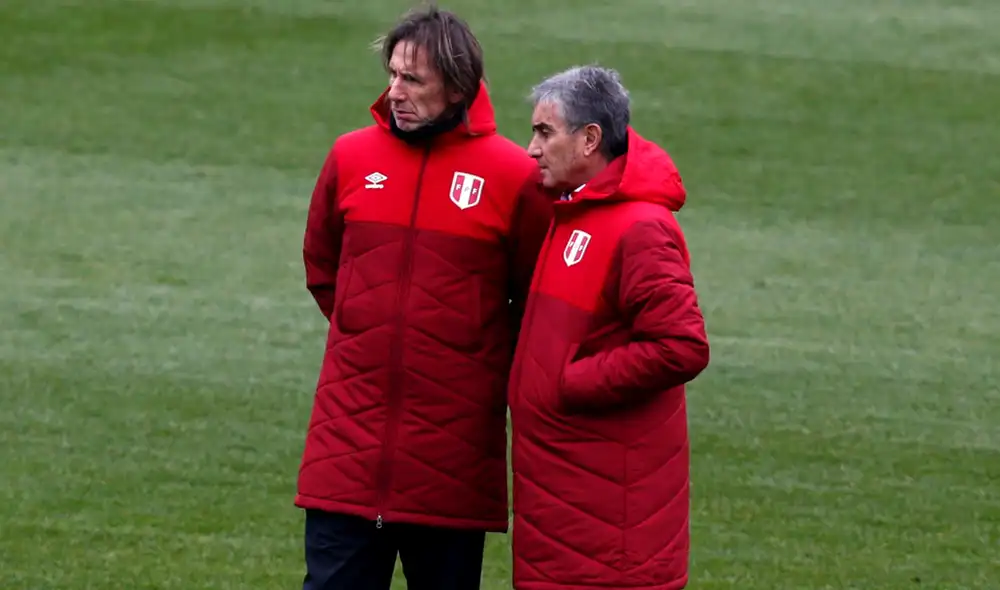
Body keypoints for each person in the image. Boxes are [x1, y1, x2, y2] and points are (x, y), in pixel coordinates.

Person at [295, 6, 553, 590]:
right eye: (392, 74)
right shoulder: (350, 157)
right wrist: (371, 329)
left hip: (451, 464)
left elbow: (536, 298)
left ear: (458, 89)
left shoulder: (513, 176)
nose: (395, 92)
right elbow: (323, 268)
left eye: (413, 80)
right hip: (347, 453)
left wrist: (470, 356)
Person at [508, 65, 711, 590]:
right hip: (566, 511)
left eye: (545, 133)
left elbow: (681, 344)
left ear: (590, 139)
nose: (531, 149)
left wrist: (571, 383)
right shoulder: (572, 214)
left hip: (608, 533)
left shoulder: (640, 228)